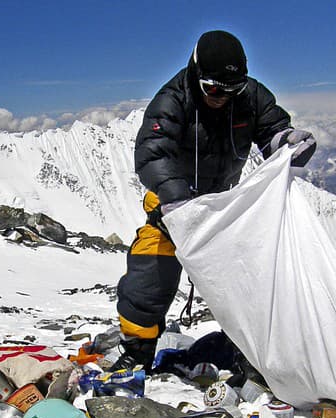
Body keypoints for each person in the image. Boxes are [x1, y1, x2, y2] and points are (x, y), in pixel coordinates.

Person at [110, 30, 317, 371]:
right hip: (171, 210)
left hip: (223, 209)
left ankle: (251, 354)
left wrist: (289, 142)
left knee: (251, 281)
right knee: (149, 278)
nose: (222, 96)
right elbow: (151, 154)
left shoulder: (250, 97)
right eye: (214, 89)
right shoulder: (172, 101)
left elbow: (272, 130)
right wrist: (176, 201)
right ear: (196, 73)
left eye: (232, 89)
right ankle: (137, 350)